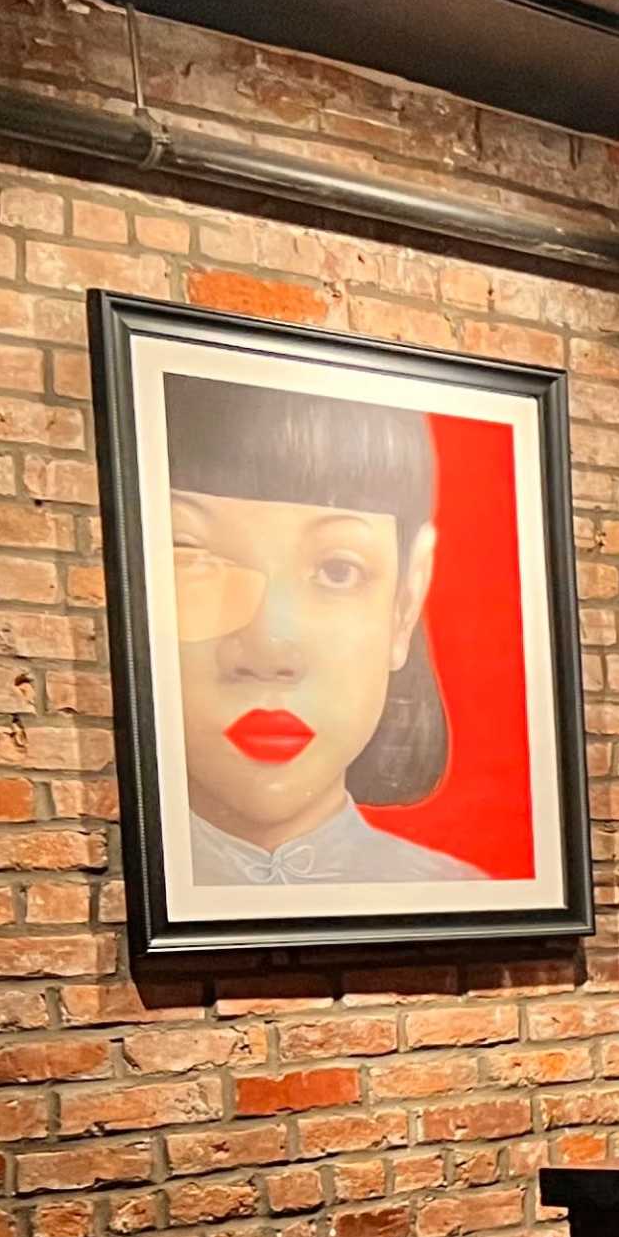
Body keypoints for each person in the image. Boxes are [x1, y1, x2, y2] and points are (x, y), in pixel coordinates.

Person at [161, 375, 480, 885]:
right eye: (193, 559)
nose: (267, 650)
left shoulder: (463, 897)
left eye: (338, 570)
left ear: (405, 601)